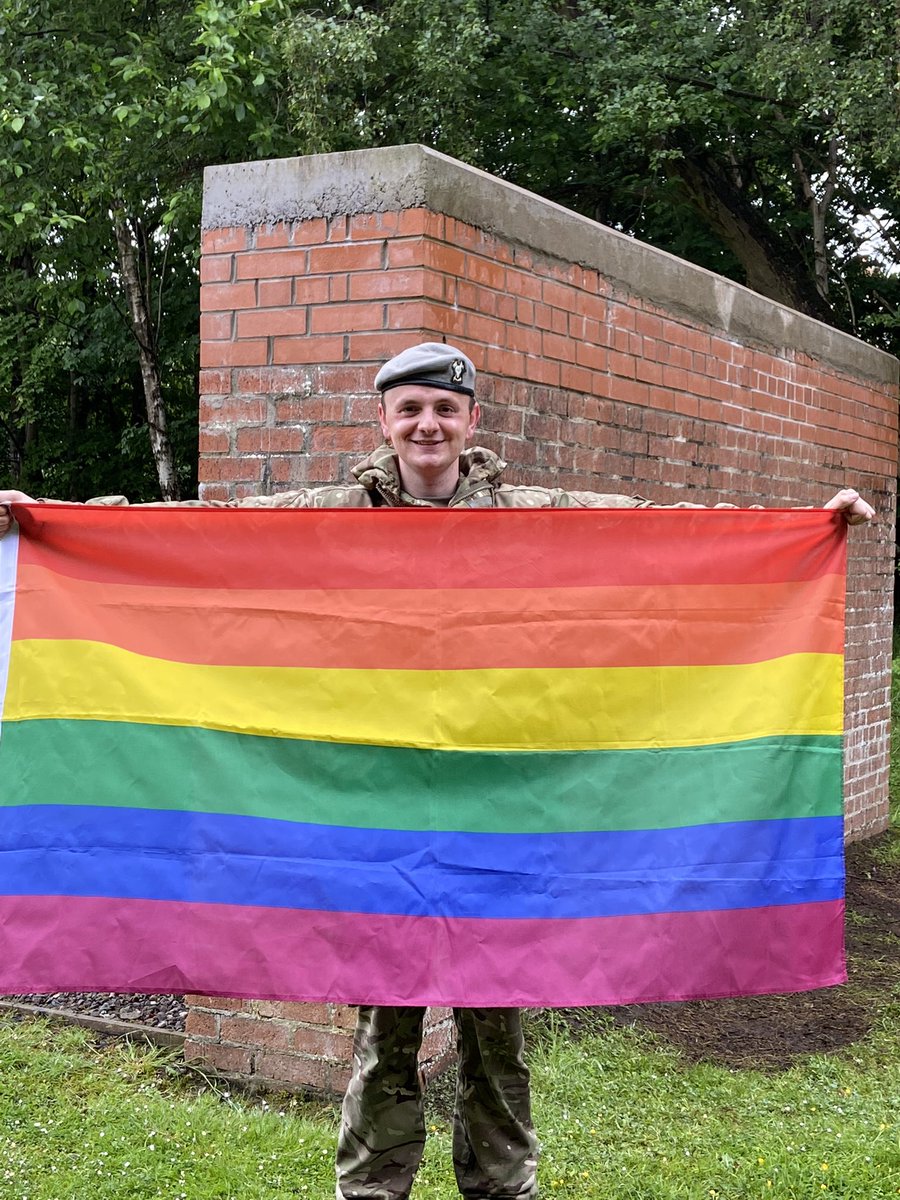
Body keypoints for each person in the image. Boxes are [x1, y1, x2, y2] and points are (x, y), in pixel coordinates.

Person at [0, 343, 875, 1200]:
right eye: (409, 408)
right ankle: (374, 1186)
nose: (427, 424)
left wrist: (806, 526)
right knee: (387, 1026)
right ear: (384, 420)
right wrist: (54, 521)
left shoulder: (528, 512)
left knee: (499, 1018)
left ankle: (501, 1183)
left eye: (444, 408)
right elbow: (199, 532)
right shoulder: (330, 511)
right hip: (376, 815)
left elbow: (647, 531)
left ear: (470, 420)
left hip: (499, 812)